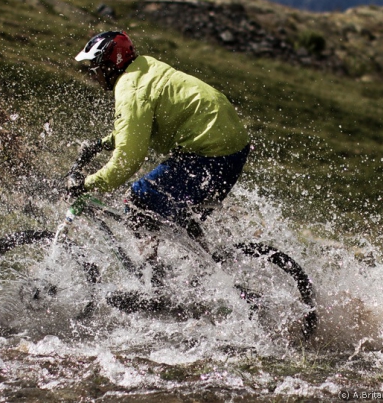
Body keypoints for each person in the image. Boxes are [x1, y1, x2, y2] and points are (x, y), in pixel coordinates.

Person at [69, 31, 250, 259]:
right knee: (179, 217)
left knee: (139, 199)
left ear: (109, 65)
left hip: (210, 152)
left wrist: (88, 184)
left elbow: (128, 159)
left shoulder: (131, 89)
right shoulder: (143, 68)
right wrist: (103, 144)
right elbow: (137, 124)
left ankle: (151, 285)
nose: (93, 76)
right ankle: (209, 270)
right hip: (229, 146)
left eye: (94, 69)